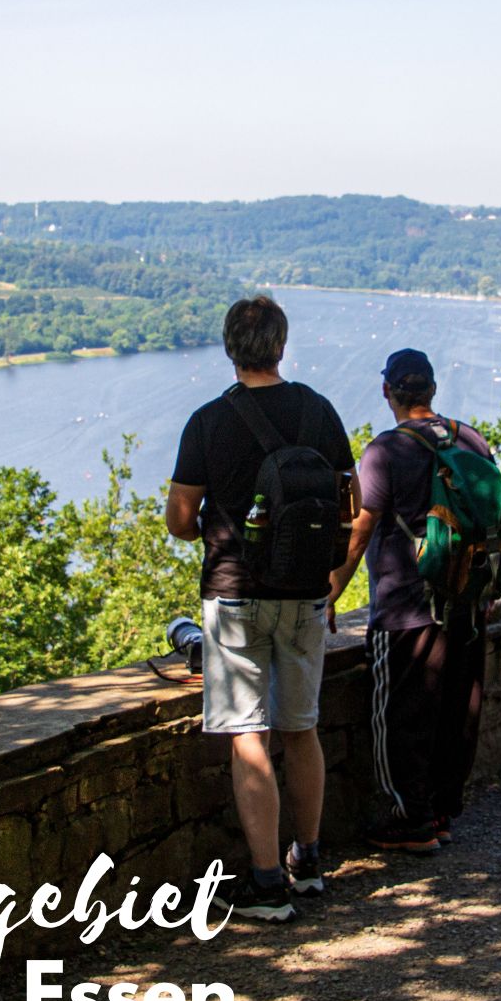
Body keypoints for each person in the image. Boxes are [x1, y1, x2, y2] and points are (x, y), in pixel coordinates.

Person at [167, 294, 354, 921]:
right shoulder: (321, 413)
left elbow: (179, 519)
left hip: (235, 592)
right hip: (305, 592)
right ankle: (309, 860)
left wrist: (209, 530)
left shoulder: (207, 422)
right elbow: (346, 508)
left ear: (230, 347)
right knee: (301, 728)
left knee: (248, 732)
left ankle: (267, 885)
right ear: (281, 344)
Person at [329, 348, 499, 854]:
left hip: (408, 609)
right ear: (431, 389)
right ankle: (443, 811)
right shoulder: (471, 438)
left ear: (388, 392)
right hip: (466, 605)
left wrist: (329, 594)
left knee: (401, 716)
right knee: (454, 713)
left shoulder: (384, 452)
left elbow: (358, 536)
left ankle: (412, 819)